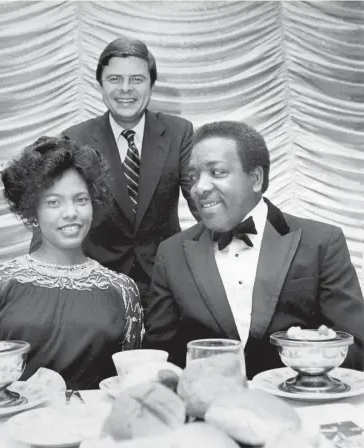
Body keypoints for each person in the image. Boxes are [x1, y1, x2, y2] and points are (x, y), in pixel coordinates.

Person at [143, 121, 364, 379]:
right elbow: (160, 356)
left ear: (256, 179)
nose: (199, 188)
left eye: (216, 172)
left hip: (302, 407)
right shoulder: (171, 254)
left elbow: (356, 348)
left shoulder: (322, 242)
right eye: (193, 177)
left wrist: (313, 356)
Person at [29, 37, 198, 312]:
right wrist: (39, 277)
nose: (126, 89)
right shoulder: (76, 138)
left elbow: (201, 201)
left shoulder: (179, 132)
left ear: (151, 84)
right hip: (97, 283)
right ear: (101, 85)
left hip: (165, 284)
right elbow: (53, 209)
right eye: (115, 79)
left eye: (137, 79)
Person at [0, 137, 143, 390]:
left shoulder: (122, 290)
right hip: (12, 425)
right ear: (32, 211)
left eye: (81, 199)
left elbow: (126, 386)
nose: (70, 213)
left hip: (93, 425)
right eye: (53, 202)